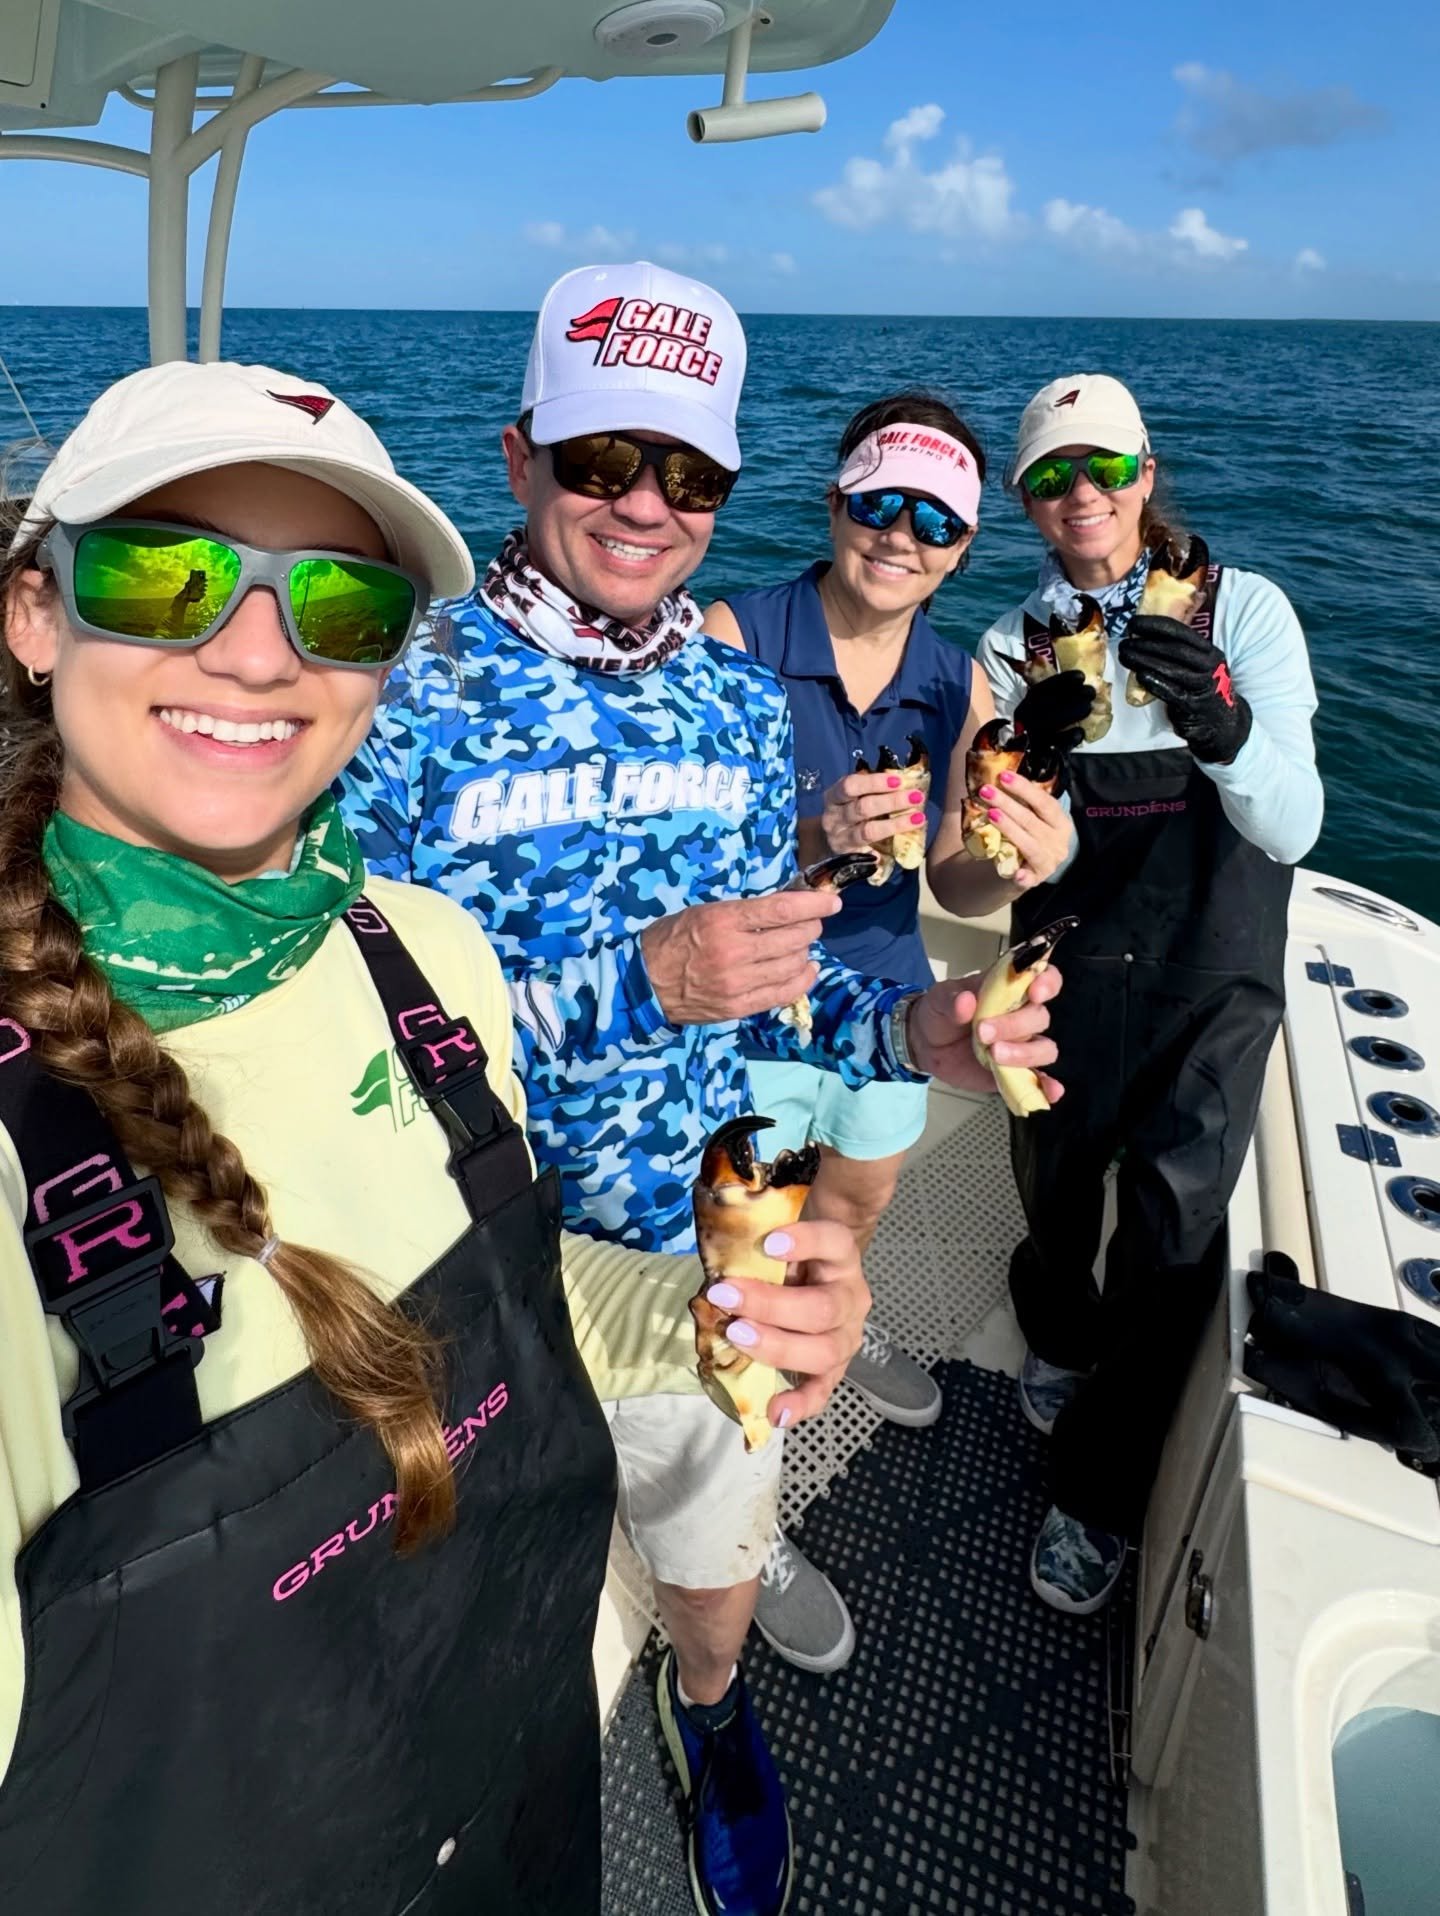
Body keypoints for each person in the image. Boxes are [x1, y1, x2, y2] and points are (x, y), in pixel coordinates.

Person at [0, 358, 875, 1916]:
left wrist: (702, 1312)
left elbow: (507, 1290)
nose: (259, 651)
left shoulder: (418, 955)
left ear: (379, 664)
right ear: (34, 611)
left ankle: (708, 1703)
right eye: (164, 574)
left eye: (340, 607)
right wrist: (637, 982)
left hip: (494, 1758)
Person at [339, 263, 1064, 1916]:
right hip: (460, 1260)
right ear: (522, 456)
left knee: (713, 1540)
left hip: (713, 1231)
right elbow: (346, 1045)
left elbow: (768, 999)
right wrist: (636, 981)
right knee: (451, 1578)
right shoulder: (398, 695)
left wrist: (920, 1042)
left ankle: (707, 1703)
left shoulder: (744, 713)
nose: (645, 505)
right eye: (603, 460)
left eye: (689, 473)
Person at [976, 372, 1322, 1615]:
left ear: (1146, 475)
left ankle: (1100, 1490)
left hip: (1212, 958)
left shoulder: (1252, 612)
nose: (1083, 495)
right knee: (1051, 1175)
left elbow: (1295, 821)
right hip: (1071, 944)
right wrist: (1020, 775)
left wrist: (1217, 716)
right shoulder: (1009, 644)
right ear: (1025, 498)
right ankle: (1057, 1337)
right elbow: (1008, 845)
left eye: (1105, 469)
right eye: (1053, 475)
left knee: (1174, 1231)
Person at [704, 393, 1075, 1306]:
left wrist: (1018, 854)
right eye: (880, 505)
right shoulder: (732, 638)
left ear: (961, 551)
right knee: (735, 1220)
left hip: (894, 989)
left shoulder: (961, 686)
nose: (902, 537)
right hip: (750, 991)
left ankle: (828, 1327)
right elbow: (686, 862)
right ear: (835, 505)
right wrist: (815, 834)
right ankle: (732, 1350)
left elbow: (954, 875)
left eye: (938, 522)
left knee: (858, 1203)